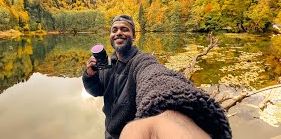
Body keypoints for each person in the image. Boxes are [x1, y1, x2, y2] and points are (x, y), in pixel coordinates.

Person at [82, 15, 232, 139]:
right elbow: (97, 91)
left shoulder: (141, 61)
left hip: (136, 133)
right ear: (110, 36)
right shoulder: (108, 63)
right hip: (109, 131)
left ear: (134, 36)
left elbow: (156, 77)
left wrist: (172, 107)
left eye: (124, 29)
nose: (118, 32)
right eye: (114, 30)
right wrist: (90, 74)